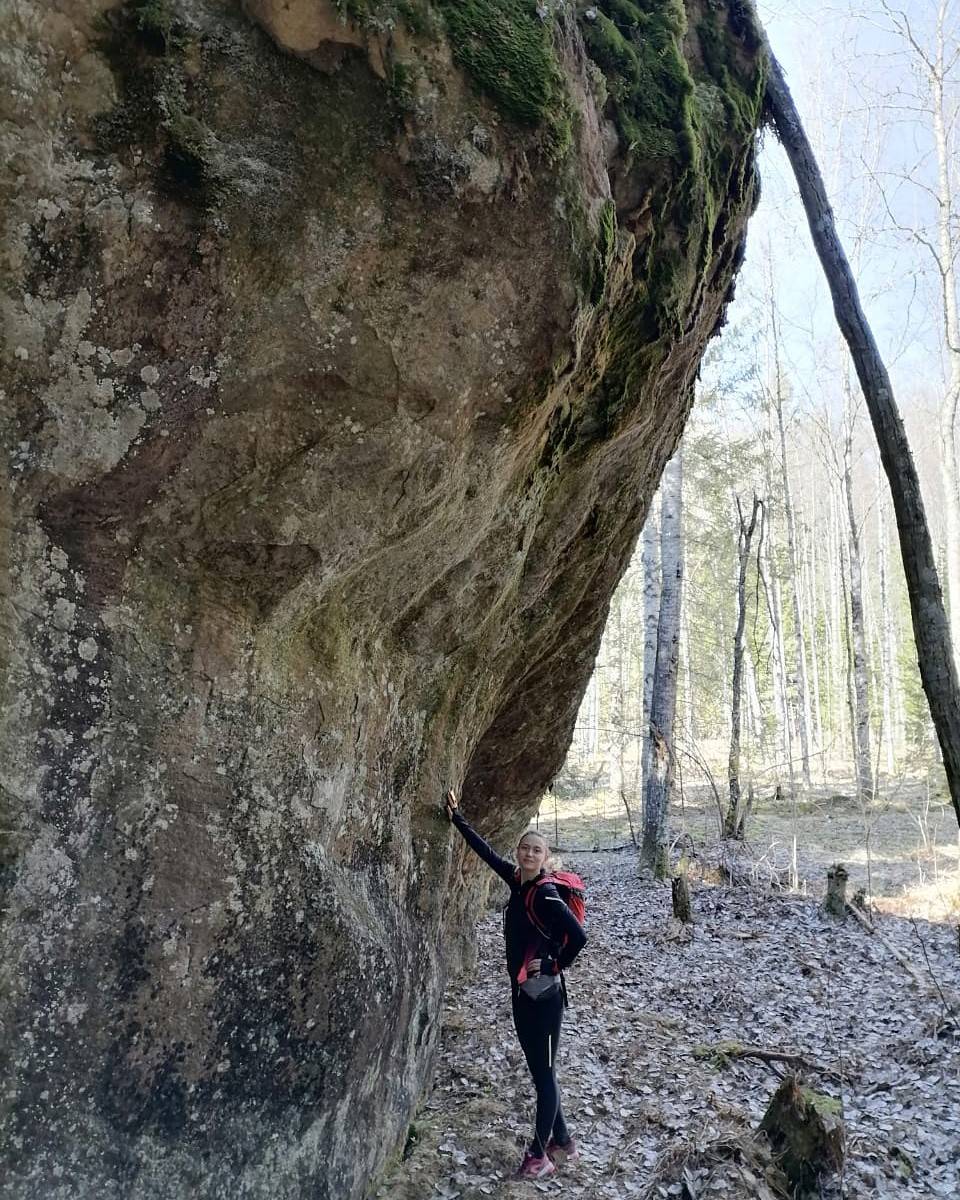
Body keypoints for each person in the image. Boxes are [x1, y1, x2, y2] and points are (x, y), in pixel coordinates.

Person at [444, 788, 587, 1181]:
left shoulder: (546, 895)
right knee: (542, 1071)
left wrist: (556, 964)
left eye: (535, 851)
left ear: (545, 859)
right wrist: (458, 820)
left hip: (544, 999)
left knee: (544, 1076)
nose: (527, 854)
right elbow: (488, 854)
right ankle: (564, 1140)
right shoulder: (517, 881)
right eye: (524, 848)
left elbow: (579, 937)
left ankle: (539, 1155)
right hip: (522, 994)